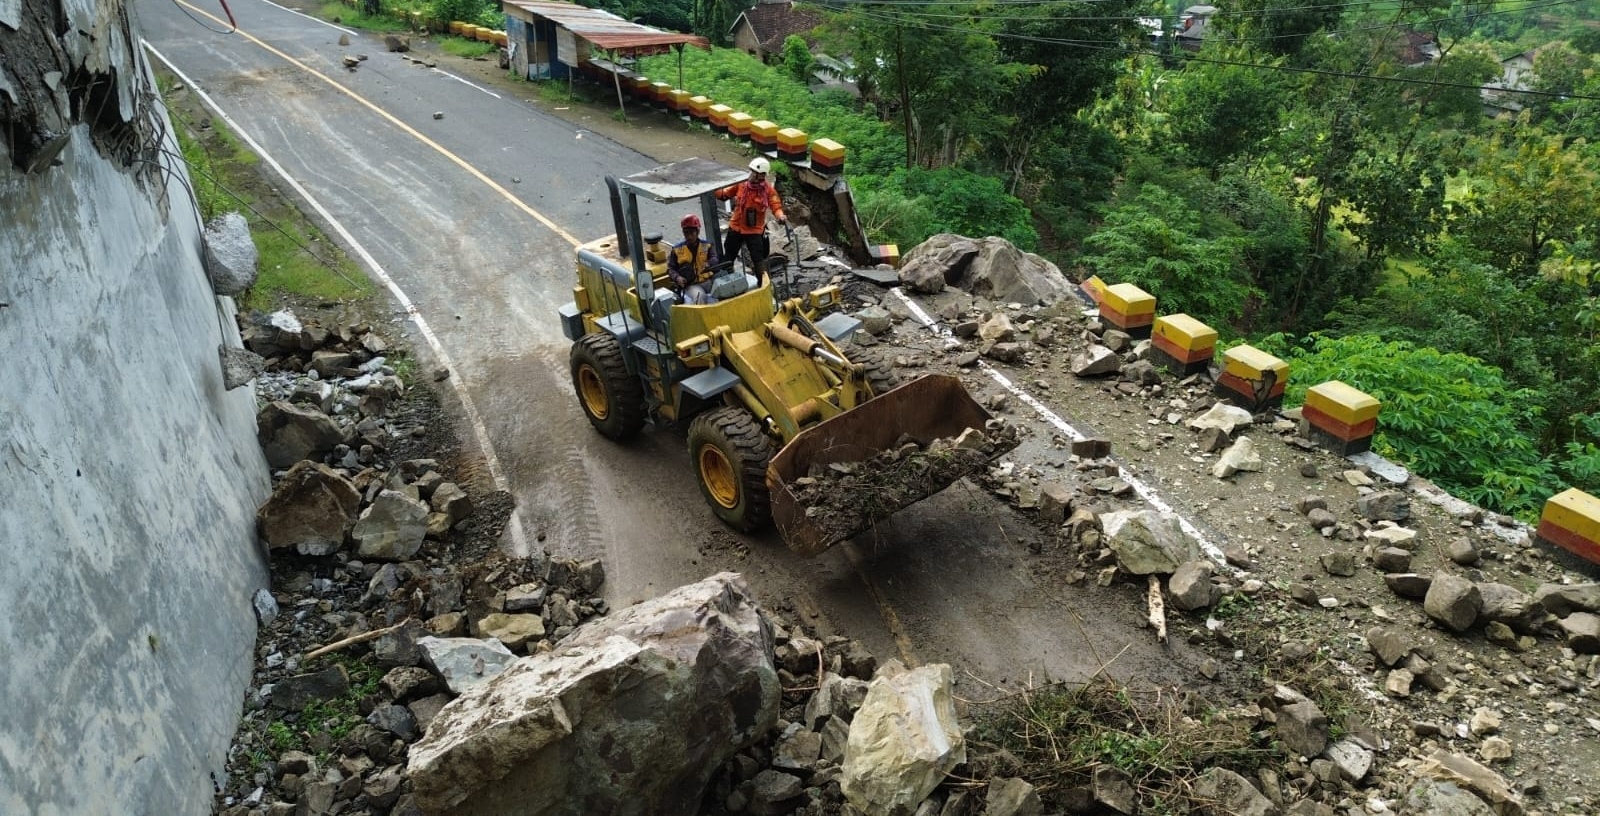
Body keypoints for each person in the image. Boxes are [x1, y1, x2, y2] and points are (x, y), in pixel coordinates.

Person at [716, 157, 787, 275]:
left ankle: (764, 283)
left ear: (762, 175)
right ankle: (728, 280)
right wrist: (714, 188)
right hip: (736, 227)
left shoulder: (768, 190)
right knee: (728, 257)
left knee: (759, 260)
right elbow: (724, 195)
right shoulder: (741, 184)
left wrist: (780, 216)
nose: (752, 175)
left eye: (755, 173)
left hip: (754, 231)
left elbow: (776, 206)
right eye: (752, 171)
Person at [667, 213, 721, 304]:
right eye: (686, 233)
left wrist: (708, 263)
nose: (689, 236)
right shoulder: (677, 250)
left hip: (708, 281)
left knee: (725, 289)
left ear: (698, 231)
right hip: (691, 285)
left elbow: (714, 258)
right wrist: (678, 277)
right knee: (699, 296)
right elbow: (670, 269)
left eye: (692, 232)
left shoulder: (706, 245)